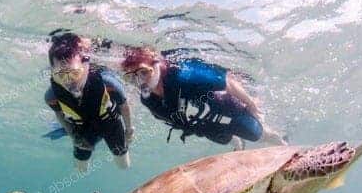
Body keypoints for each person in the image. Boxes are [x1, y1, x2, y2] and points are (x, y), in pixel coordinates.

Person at [120, 47, 286, 150]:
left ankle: (283, 144)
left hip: (226, 109)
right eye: (132, 77)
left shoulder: (183, 75)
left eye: (143, 72)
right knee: (225, 139)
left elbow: (227, 81)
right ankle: (236, 143)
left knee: (257, 134)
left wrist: (251, 104)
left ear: (155, 66)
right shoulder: (148, 99)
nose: (140, 81)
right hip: (203, 125)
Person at [44, 33, 134, 172]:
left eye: (74, 73)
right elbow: (60, 115)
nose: (69, 81)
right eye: (61, 75)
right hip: (82, 129)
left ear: (85, 64)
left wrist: (129, 130)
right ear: (53, 73)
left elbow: (124, 105)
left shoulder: (108, 83)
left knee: (123, 165)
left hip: (110, 124)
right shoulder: (52, 95)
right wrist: (73, 136)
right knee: (81, 169)